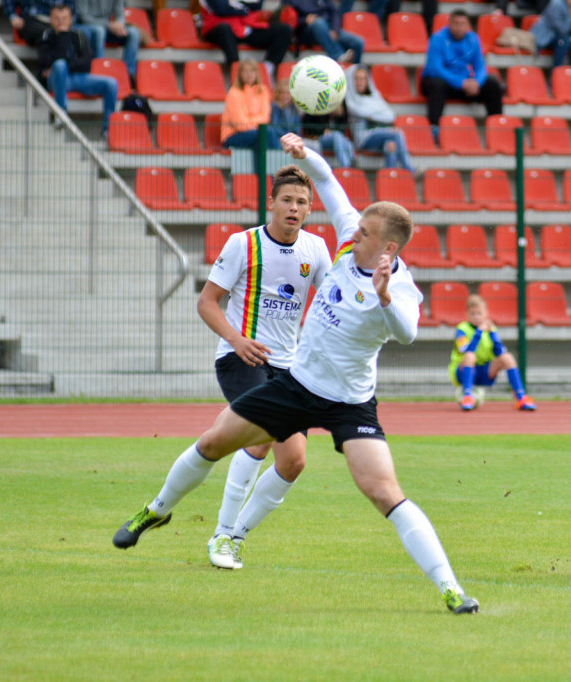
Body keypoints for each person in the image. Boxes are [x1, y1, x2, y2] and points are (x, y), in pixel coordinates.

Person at [113, 132, 480, 616]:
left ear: (387, 247)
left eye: (364, 233)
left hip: (350, 403)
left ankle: (451, 589)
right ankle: (156, 510)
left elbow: (408, 332)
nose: (350, 233)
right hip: (296, 384)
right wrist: (306, 153)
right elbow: (329, 183)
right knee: (211, 444)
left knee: (384, 492)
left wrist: (385, 297)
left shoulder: (402, 288)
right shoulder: (351, 235)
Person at [199, 165, 332, 569]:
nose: (294, 208)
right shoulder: (244, 243)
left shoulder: (316, 250)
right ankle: (222, 536)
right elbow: (207, 302)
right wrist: (237, 340)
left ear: (310, 209)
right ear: (271, 203)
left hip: (290, 368)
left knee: (293, 461)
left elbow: (332, 304)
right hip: (241, 358)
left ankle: (236, 536)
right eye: (287, 200)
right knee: (259, 437)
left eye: (302, 202)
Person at [37, 4, 118, 139]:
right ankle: (60, 113)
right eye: (57, 18)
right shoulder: (46, 36)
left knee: (111, 83)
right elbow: (47, 60)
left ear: (70, 19)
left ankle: (108, 129)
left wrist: (67, 64)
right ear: (50, 20)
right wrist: (63, 37)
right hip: (57, 80)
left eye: (64, 18)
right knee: (59, 66)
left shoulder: (79, 35)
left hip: (78, 78)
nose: (61, 22)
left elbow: (87, 63)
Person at [448, 295, 536, 412]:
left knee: (507, 357)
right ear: (467, 315)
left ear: (486, 314)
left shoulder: (491, 329)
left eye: (479, 313)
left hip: (484, 372)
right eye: (472, 314)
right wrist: (479, 332)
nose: (476, 317)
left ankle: (521, 397)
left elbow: (500, 351)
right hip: (463, 373)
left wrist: (492, 334)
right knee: (470, 356)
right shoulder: (462, 329)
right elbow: (465, 350)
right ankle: (467, 396)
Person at [420, 9, 505, 129]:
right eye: (456, 23)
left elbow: (480, 67)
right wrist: (461, 83)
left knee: (493, 84)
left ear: (468, 25)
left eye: (462, 24)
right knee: (436, 84)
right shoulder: (437, 39)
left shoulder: (473, 39)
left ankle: (498, 128)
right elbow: (435, 69)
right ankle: (434, 128)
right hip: (444, 83)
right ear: (449, 23)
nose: (458, 27)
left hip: (465, 84)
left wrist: (476, 82)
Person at [345, 64, 416, 174]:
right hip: (364, 138)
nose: (360, 82)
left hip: (379, 136)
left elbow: (390, 116)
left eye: (363, 79)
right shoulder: (351, 100)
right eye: (357, 79)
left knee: (390, 145)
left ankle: (390, 179)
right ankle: (409, 169)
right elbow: (362, 112)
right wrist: (377, 113)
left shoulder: (374, 97)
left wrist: (372, 115)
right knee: (397, 134)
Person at [272, 78, 355, 168]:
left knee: (346, 142)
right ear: (278, 94)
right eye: (282, 93)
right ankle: (345, 167)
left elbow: (297, 128)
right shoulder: (275, 108)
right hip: (283, 140)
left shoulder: (294, 109)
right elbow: (276, 127)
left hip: (295, 139)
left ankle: (347, 167)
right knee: (332, 138)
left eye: (287, 94)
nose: (285, 96)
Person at [199, 0, 293, 71]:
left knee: (285, 30)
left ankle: (267, 70)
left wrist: (234, 6)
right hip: (218, 27)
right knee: (224, 29)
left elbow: (256, 5)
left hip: (246, 27)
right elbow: (220, 8)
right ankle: (235, 70)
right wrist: (242, 8)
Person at [221, 59, 282, 154]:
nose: (249, 74)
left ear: (256, 73)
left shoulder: (263, 91)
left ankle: (266, 168)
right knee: (268, 133)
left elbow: (265, 118)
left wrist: (249, 121)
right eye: (245, 71)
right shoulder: (233, 93)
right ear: (240, 74)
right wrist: (257, 123)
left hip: (257, 133)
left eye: (252, 71)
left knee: (264, 141)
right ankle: (281, 164)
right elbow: (239, 124)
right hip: (233, 135)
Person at [73, 0, 140, 83]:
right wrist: (108, 25)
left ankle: (128, 75)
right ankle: (99, 71)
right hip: (85, 27)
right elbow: (83, 17)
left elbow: (120, 15)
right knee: (99, 31)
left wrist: (119, 24)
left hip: (106, 27)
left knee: (134, 33)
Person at [284, 0, 364, 64]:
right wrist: (304, 20)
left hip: (328, 27)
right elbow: (286, 19)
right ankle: (338, 56)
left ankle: (353, 72)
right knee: (319, 23)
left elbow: (334, 12)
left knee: (358, 42)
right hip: (306, 31)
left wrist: (335, 29)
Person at [530, 0, 571, 70]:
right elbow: (562, 30)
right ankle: (555, 73)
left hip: (566, 36)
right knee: (564, 41)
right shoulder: (556, 4)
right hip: (547, 36)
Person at [4, 0, 76, 47]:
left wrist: (68, 21)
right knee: (48, 35)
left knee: (83, 32)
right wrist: (13, 17)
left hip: (60, 21)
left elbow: (72, 9)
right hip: (34, 20)